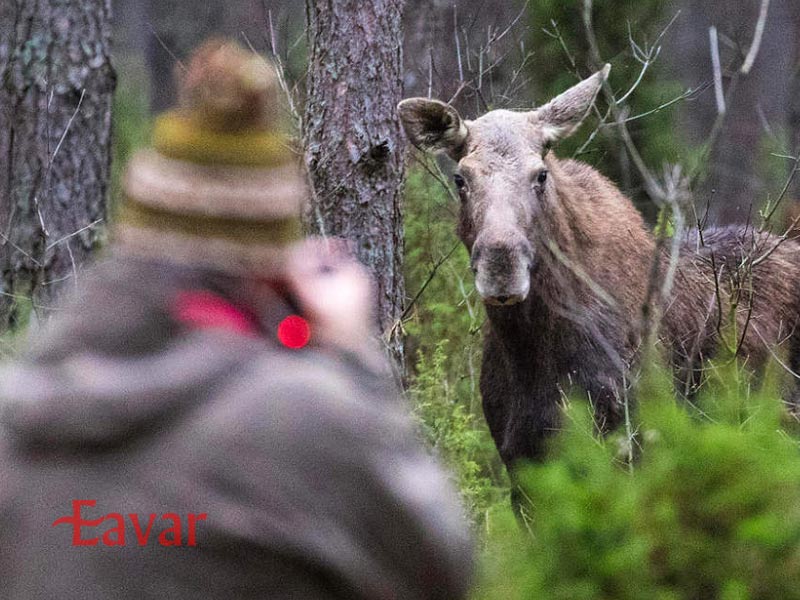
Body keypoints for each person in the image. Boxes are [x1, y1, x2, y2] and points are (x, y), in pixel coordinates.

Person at [0, 39, 473, 599]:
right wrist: (352, 358)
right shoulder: (304, 423)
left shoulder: (19, 409)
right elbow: (440, 566)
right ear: (271, 274)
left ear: (132, 248)